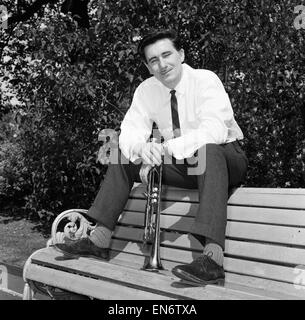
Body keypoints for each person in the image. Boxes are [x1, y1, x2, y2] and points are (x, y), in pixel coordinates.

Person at [55, 29, 248, 285]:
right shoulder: (147, 90)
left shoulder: (205, 80)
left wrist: (165, 147)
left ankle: (212, 259)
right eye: (153, 60)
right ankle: (99, 240)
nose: (162, 64)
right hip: (188, 166)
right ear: (147, 66)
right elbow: (128, 133)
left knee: (208, 149)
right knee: (123, 155)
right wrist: (141, 148)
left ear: (181, 54)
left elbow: (213, 130)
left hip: (225, 158)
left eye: (166, 54)